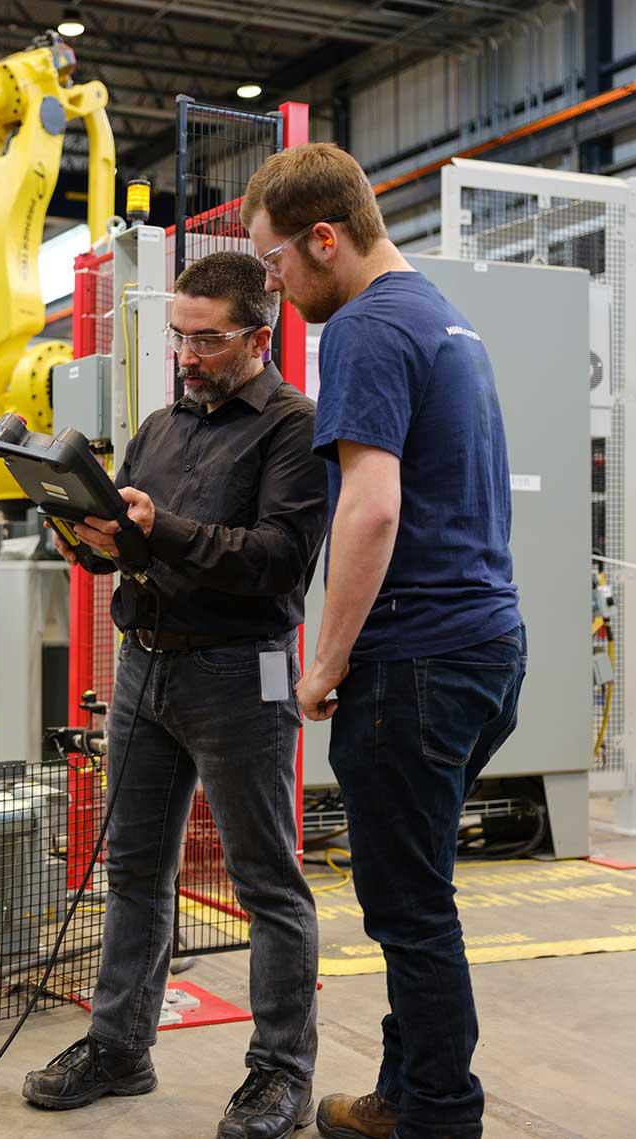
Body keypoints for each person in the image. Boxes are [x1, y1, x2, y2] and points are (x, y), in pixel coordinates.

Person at [242, 143, 526, 1139]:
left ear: (326, 238)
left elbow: (369, 509)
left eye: (276, 264)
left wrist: (321, 662)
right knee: (417, 892)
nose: (274, 287)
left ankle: (437, 1113)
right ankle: (406, 1095)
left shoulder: (362, 328)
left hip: (416, 658)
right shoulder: (444, 318)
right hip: (489, 647)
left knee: (408, 908)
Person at [21, 252, 328, 1139]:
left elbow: (275, 559)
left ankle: (279, 1074)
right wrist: (89, 539)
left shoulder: (292, 428)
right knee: (134, 871)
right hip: (143, 666)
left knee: (266, 879)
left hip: (239, 672)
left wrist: (165, 528)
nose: (187, 355)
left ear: (257, 336)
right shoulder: (158, 426)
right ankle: (120, 1046)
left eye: (207, 339)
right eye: (178, 337)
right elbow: (134, 549)